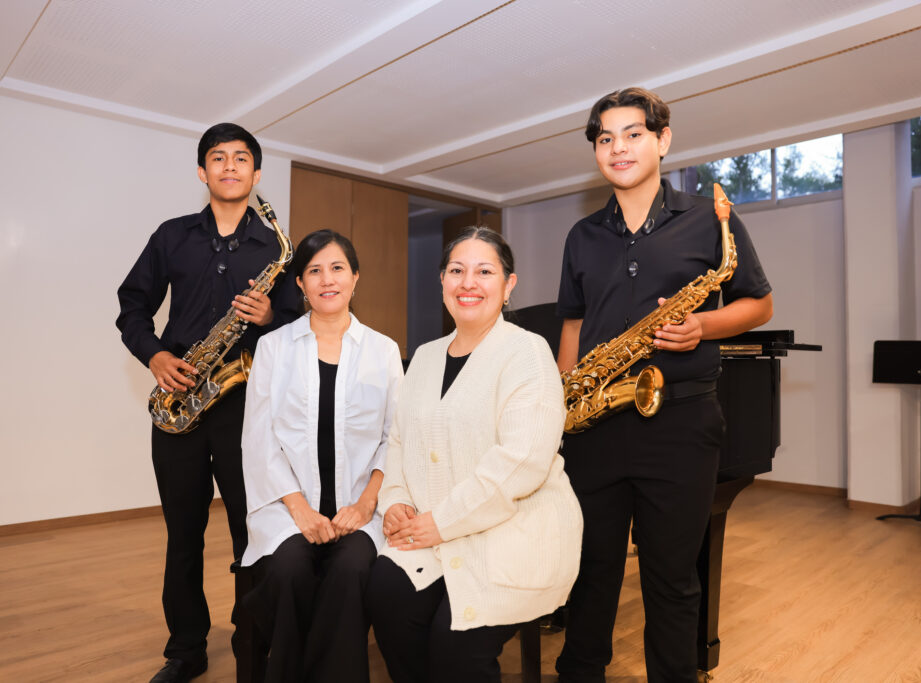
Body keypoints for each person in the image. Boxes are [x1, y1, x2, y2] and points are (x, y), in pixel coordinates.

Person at [554, 88, 774, 683]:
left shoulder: (710, 219)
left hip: (680, 425)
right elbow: (572, 322)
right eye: (605, 138)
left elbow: (759, 304)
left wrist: (703, 325)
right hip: (595, 426)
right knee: (589, 573)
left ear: (662, 140)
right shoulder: (581, 235)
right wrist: (564, 402)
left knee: (673, 579)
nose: (618, 147)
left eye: (633, 134)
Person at [116, 123, 300, 683]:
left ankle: (253, 644)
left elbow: (300, 325)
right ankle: (186, 650)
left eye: (241, 158)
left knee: (252, 533)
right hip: (181, 400)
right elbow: (132, 305)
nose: (229, 166)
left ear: (256, 174)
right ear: (202, 171)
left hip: (247, 407)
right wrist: (155, 356)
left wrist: (271, 316)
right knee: (183, 536)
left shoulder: (275, 248)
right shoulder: (172, 236)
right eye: (218, 158)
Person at [367, 227, 583, 683]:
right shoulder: (424, 357)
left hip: (513, 530)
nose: (468, 283)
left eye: (484, 272)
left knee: (455, 645)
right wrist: (396, 501)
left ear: (508, 285)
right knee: (386, 594)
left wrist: (441, 522)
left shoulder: (528, 352)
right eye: (456, 271)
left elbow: (522, 462)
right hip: (434, 529)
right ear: (442, 280)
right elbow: (400, 441)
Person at [233, 229, 403, 683]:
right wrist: (300, 510)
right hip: (287, 507)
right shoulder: (273, 347)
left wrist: (366, 504)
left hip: (360, 508)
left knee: (351, 570)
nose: (327, 279)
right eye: (314, 271)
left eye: (337, 268)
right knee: (289, 570)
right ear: (300, 285)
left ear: (355, 278)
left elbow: (396, 437)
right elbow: (259, 439)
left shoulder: (383, 351)